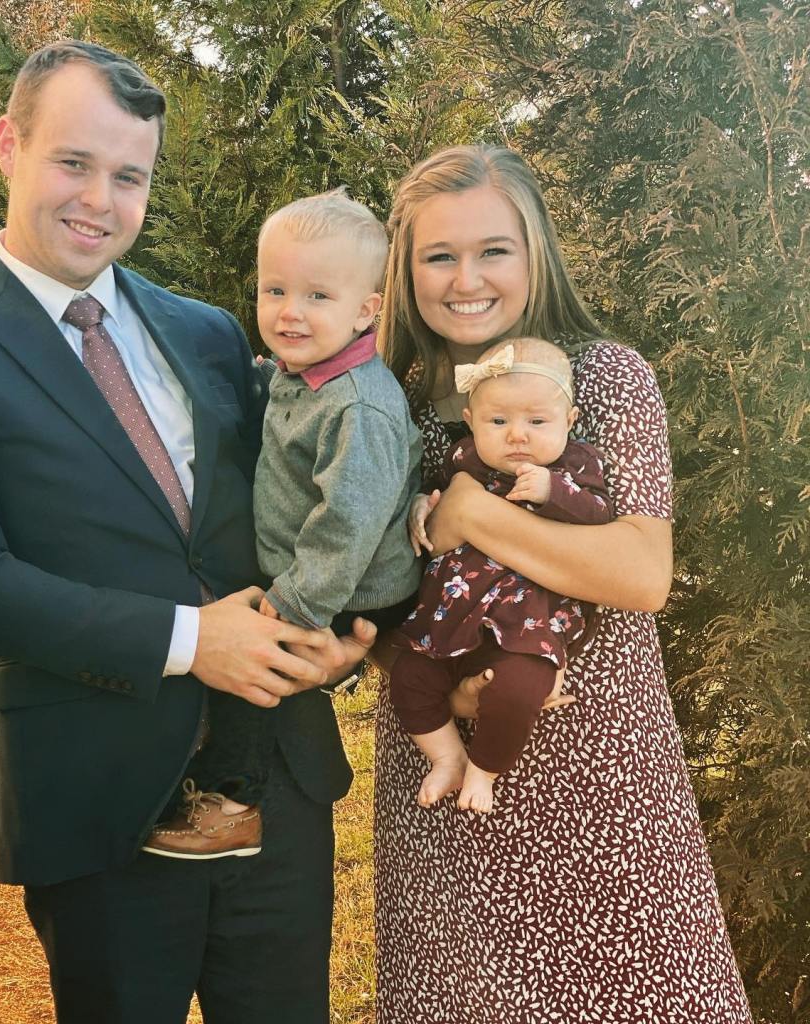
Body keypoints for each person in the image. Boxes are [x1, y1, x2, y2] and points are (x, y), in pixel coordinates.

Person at [0, 41, 372, 1024]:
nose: (100, 197)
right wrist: (192, 640)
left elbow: (284, 508)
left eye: (128, 175)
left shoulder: (207, 331)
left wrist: (337, 635)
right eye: (73, 163)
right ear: (10, 145)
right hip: (103, 805)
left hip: (279, 785)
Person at [373, 145, 752, 1022]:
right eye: (439, 255)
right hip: (444, 775)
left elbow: (641, 573)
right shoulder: (386, 400)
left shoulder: (605, 377)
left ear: (535, 249)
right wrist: (423, 668)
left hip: (598, 775)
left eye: (493, 250)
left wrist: (473, 516)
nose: (467, 278)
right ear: (406, 268)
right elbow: (376, 592)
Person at [143, 189, 421, 859]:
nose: (290, 311)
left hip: (356, 585)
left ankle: (232, 801)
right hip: (326, 573)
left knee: (253, 666)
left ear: (366, 310)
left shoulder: (362, 409)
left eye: (317, 297)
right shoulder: (309, 374)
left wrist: (291, 605)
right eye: (275, 290)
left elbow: (347, 522)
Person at [394, 336, 612, 812]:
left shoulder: (576, 466)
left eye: (537, 422)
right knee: (409, 676)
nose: (518, 436)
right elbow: (435, 500)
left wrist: (555, 492)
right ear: (470, 423)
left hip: (528, 629)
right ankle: (447, 757)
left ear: (569, 423)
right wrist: (418, 507)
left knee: (519, 691)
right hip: (450, 620)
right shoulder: (461, 460)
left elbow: (601, 518)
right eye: (498, 421)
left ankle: (484, 770)